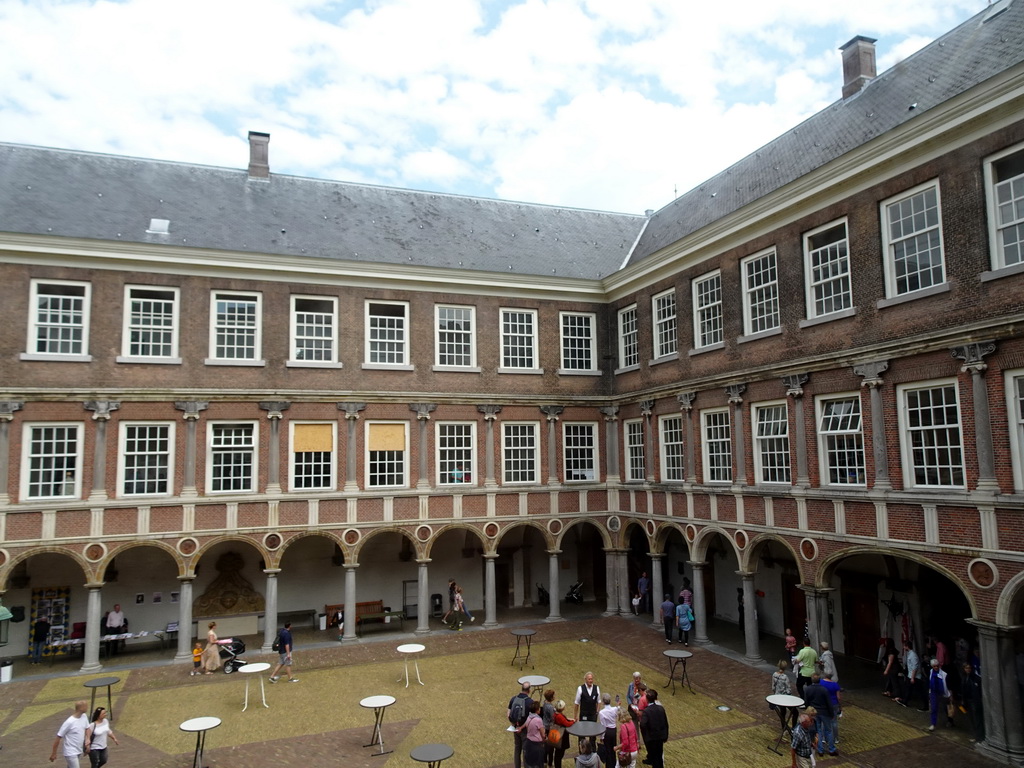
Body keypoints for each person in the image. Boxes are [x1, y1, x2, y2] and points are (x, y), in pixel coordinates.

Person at [803, 673, 836, 757]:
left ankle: (820, 750)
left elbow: (806, 701)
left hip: (814, 712)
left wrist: (808, 711)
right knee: (828, 730)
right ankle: (831, 749)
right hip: (825, 712)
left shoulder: (808, 689)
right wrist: (831, 713)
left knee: (818, 731)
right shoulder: (824, 690)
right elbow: (829, 703)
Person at [49, 700, 89, 767]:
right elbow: (58, 737)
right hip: (70, 752)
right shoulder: (69, 722)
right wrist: (54, 753)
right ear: (81, 708)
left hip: (79, 750)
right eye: (86, 706)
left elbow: (87, 728)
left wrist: (88, 739)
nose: (87, 707)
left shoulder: (84, 716)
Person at [639, 688, 668, 768]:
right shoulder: (661, 708)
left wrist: (647, 735)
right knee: (659, 756)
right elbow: (665, 723)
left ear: (647, 699)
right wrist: (665, 735)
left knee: (655, 758)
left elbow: (643, 725)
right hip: (660, 737)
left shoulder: (647, 711)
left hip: (652, 738)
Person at [509, 681, 535, 768]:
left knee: (517, 749)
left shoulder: (513, 699)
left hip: (515, 728)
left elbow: (509, 713)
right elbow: (530, 718)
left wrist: (513, 724)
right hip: (524, 730)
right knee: (525, 750)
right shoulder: (530, 702)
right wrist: (522, 727)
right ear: (529, 690)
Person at [574, 671, 600, 750]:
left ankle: (592, 750)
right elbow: (576, 703)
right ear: (585, 679)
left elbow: (599, 702)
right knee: (582, 733)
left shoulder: (597, 688)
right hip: (584, 715)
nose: (590, 681)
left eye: (591, 679)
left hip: (593, 715)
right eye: (589, 679)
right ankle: (582, 749)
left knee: (593, 734)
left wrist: (597, 713)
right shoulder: (580, 689)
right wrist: (575, 716)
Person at [960, 662, 984, 743]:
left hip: (975, 701)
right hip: (968, 700)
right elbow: (963, 690)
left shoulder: (975, 678)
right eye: (966, 668)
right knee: (972, 719)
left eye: (969, 668)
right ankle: (976, 735)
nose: (968, 670)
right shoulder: (964, 678)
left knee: (977, 719)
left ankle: (979, 736)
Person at [927, 657, 952, 731]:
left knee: (946, 708)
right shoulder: (931, 672)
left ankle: (950, 721)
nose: (936, 667)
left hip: (943, 693)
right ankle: (933, 724)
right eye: (934, 666)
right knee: (934, 708)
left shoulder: (944, 674)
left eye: (937, 666)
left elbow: (947, 685)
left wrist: (950, 694)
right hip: (934, 693)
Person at [597, 693, 619, 768]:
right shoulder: (615, 709)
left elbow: (603, 725)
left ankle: (609, 766)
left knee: (608, 750)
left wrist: (601, 737)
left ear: (603, 702)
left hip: (607, 732)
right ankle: (614, 764)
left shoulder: (602, 712)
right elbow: (617, 709)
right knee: (613, 749)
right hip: (613, 731)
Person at [820, 671, 842, 746]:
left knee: (824, 721)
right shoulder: (835, 685)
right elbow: (838, 697)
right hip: (834, 704)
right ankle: (835, 738)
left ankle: (823, 738)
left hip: (824, 704)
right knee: (834, 721)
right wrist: (840, 706)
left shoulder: (821, 682)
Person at [552, 699, 575, 768]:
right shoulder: (559, 716)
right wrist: (573, 722)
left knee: (558, 754)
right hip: (561, 736)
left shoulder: (556, 714)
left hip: (557, 734)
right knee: (559, 754)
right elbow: (567, 724)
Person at [524, 700, 546, 768]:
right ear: (537, 710)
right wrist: (545, 738)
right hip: (536, 745)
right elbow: (543, 734)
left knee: (530, 763)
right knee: (538, 764)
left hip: (529, 743)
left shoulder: (529, 717)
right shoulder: (538, 720)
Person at [541, 689, 557, 768]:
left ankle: (544, 761)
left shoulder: (544, 703)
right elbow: (553, 718)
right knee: (551, 747)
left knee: (545, 745)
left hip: (544, 725)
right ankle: (550, 763)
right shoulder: (550, 707)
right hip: (550, 727)